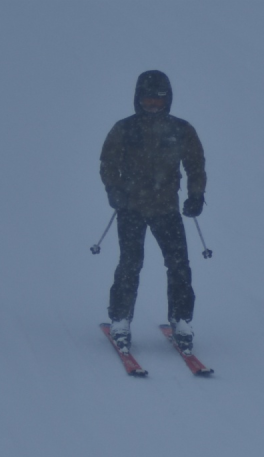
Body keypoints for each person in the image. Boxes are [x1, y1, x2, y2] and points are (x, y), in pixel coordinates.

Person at [100, 70, 206, 354]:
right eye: (148, 101)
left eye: (158, 101)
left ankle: (181, 319)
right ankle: (121, 318)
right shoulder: (124, 128)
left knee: (179, 264)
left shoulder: (181, 129)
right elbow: (108, 162)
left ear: (167, 100)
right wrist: (114, 189)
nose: (153, 106)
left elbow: (195, 164)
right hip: (131, 208)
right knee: (130, 263)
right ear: (138, 100)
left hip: (166, 208)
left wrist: (196, 195)